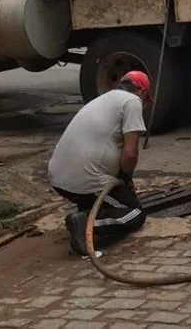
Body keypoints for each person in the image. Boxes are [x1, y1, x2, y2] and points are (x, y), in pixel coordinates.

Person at [48, 71, 151, 256]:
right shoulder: (132, 101)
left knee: (118, 202)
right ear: (142, 93)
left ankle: (86, 216)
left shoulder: (104, 99)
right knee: (134, 214)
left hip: (60, 179)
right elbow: (129, 153)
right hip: (87, 181)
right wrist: (126, 179)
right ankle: (86, 223)